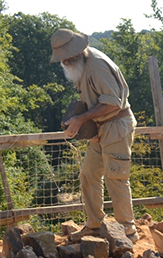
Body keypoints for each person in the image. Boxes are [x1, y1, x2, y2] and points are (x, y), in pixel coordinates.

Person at [50, 28, 138, 242]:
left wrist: (81, 120)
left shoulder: (97, 65)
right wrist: (90, 130)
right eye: (62, 58)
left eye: (66, 57)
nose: (64, 62)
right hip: (101, 127)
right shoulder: (80, 66)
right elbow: (93, 102)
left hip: (116, 125)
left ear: (76, 52)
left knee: (115, 177)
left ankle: (127, 231)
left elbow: (112, 102)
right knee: (89, 174)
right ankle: (94, 225)